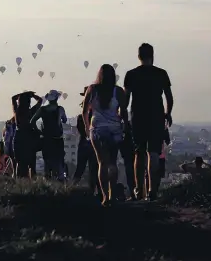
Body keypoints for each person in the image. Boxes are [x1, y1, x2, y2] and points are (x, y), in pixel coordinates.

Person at [123, 43, 173, 201]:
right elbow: (169, 98)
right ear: (153, 55)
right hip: (156, 117)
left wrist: (124, 119)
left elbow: (125, 100)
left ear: (139, 56)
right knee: (154, 154)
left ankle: (139, 190)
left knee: (139, 153)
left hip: (138, 116)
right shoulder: (161, 74)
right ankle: (152, 190)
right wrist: (168, 113)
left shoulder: (131, 74)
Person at [83, 64, 129, 207]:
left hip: (97, 129)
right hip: (114, 129)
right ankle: (112, 194)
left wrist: (86, 127)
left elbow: (84, 110)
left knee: (101, 163)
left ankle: (104, 197)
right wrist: (125, 125)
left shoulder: (92, 90)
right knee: (113, 162)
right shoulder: (118, 91)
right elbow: (124, 111)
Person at [30, 90, 67, 180]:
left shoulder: (42, 109)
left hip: (46, 139)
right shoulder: (60, 109)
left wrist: (38, 131)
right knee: (58, 160)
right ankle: (60, 180)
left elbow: (32, 121)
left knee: (47, 161)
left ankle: (47, 180)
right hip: (58, 139)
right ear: (57, 98)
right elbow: (64, 120)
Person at [73, 87, 100, 198]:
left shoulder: (82, 116)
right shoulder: (96, 113)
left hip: (84, 142)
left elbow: (80, 129)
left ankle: (72, 188)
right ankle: (97, 192)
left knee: (81, 168)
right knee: (94, 169)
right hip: (93, 143)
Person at [12, 91, 43, 178]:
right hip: (29, 138)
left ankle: (19, 182)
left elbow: (13, 98)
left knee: (20, 163)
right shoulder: (31, 112)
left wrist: (22, 95)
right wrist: (32, 95)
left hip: (18, 138)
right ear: (29, 102)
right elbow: (40, 100)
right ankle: (32, 184)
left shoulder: (16, 112)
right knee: (31, 164)